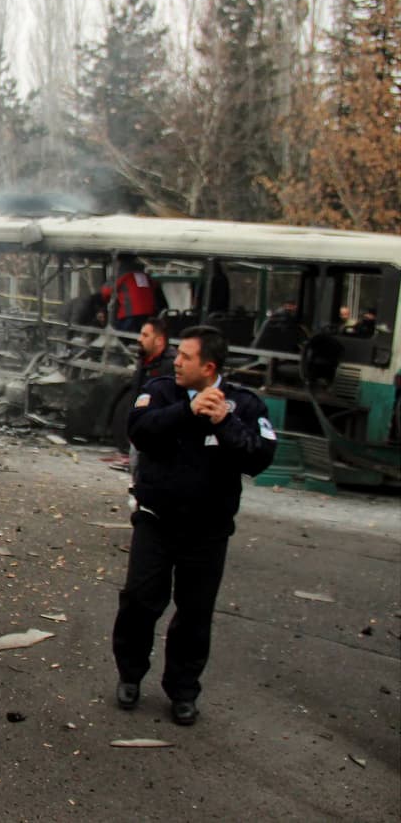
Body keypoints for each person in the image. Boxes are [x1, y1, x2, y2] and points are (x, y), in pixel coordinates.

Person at [112, 325, 277, 726]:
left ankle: (183, 691)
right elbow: (138, 431)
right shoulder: (161, 391)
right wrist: (187, 410)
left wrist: (224, 422)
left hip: (208, 530)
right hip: (156, 520)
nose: (177, 361)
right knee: (139, 600)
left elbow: (260, 458)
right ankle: (130, 675)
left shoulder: (244, 405)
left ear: (209, 366)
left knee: (194, 613)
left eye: (185, 357)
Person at [128, 318, 177, 481]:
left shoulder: (172, 365)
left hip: (159, 434)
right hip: (140, 429)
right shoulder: (143, 360)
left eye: (145, 335)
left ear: (159, 340)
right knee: (136, 470)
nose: (139, 339)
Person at [112, 256, 159, 332]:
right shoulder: (145, 276)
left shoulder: (122, 275)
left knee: (123, 334)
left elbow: (106, 292)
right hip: (149, 313)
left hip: (130, 314)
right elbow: (155, 287)